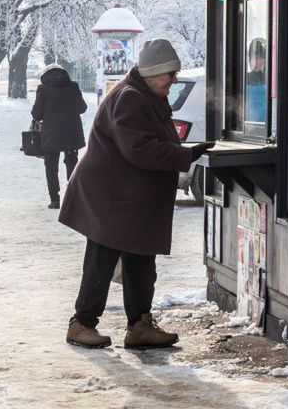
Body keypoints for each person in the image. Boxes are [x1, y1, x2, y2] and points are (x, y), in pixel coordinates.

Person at [59, 38, 214, 350]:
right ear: (153, 72)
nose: (173, 80)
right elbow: (139, 149)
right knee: (101, 261)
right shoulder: (130, 97)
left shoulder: (142, 94)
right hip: (112, 198)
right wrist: (184, 155)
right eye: (170, 74)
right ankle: (82, 323)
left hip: (130, 198)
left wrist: (180, 152)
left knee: (141, 262)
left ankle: (140, 325)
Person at [31, 63, 87, 209]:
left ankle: (55, 200)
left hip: (51, 134)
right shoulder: (73, 87)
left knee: (51, 167)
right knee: (72, 164)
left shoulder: (43, 89)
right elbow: (82, 108)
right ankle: (72, 199)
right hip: (71, 133)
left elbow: (37, 114)